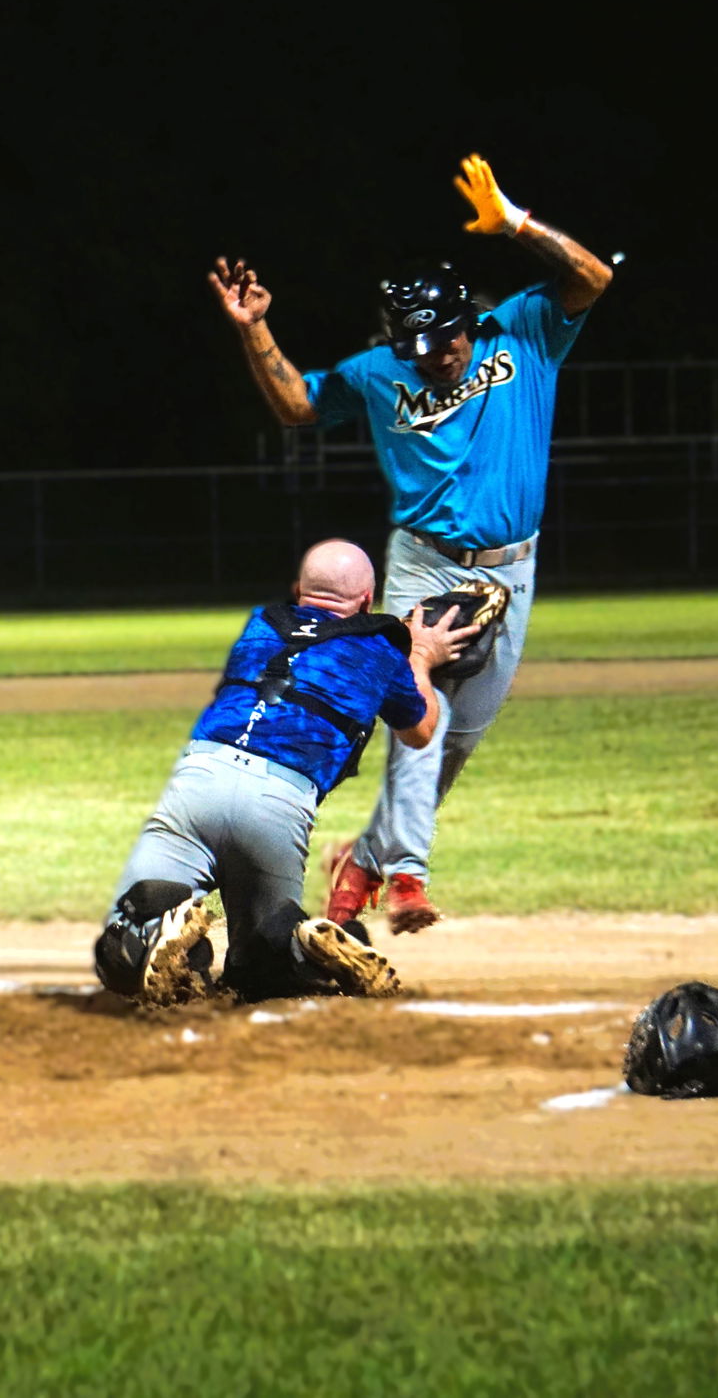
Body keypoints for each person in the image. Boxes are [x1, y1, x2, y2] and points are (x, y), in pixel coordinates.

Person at [207, 152, 612, 934]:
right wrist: (255, 330)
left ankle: (361, 859)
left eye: (450, 339)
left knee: (455, 739)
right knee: (417, 702)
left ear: (469, 319)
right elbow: (297, 405)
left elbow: (592, 278)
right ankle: (406, 878)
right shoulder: (377, 374)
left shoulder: (525, 330)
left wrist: (517, 223)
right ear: (399, 343)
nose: (440, 355)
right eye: (422, 347)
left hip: (512, 570)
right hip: (425, 561)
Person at [93, 538, 477, 1006]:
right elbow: (420, 731)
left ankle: (163, 925)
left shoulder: (260, 624)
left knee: (120, 946)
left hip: (196, 783)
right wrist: (419, 654)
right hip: (276, 805)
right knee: (260, 972)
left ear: (299, 590)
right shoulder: (381, 652)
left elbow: (316, 640)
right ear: (366, 601)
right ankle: (302, 945)